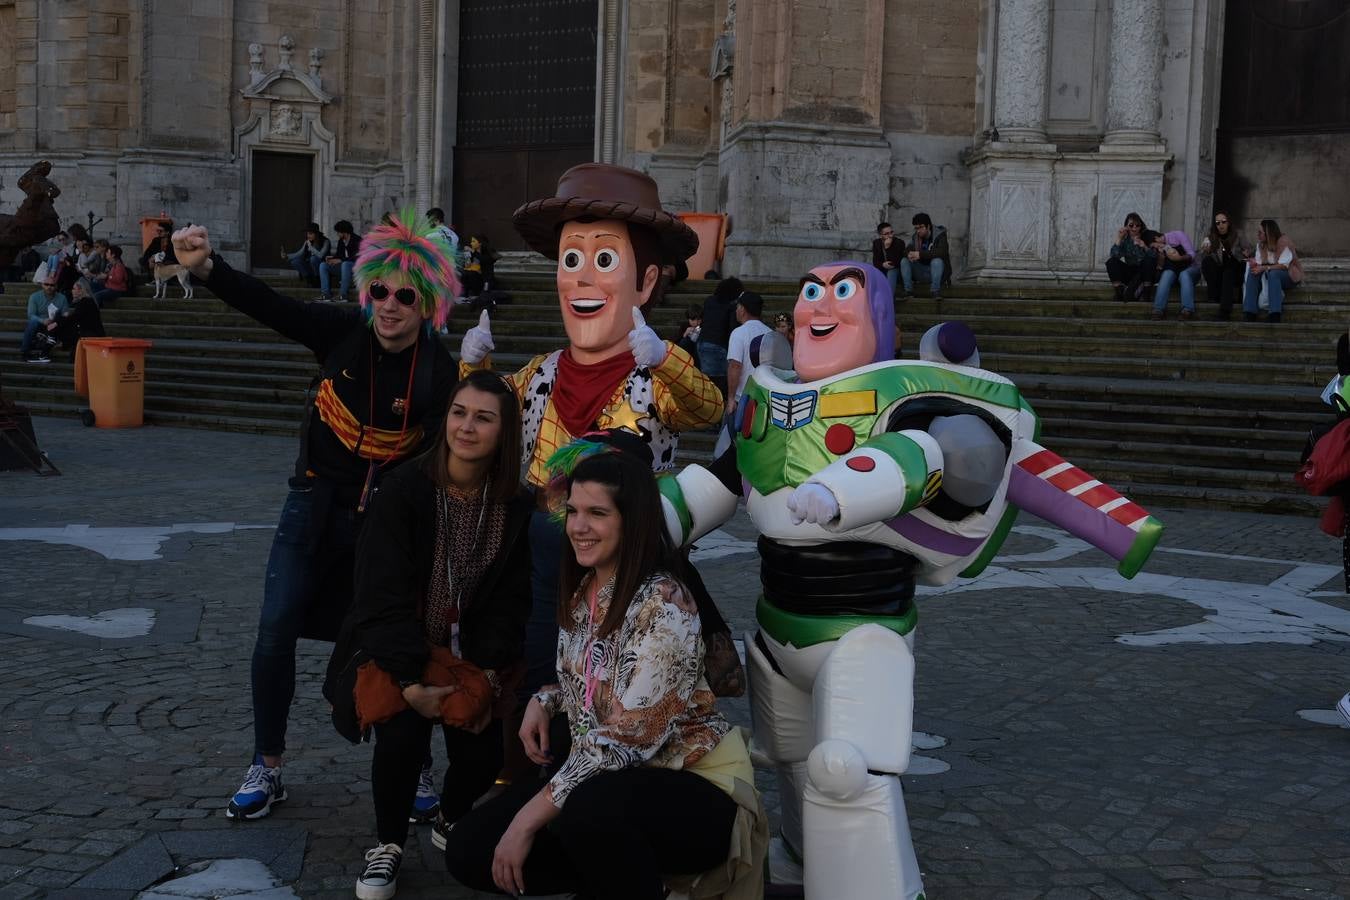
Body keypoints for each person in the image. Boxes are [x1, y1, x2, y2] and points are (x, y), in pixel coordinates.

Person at [660, 261, 1164, 900]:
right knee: (785, 758)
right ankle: (799, 854)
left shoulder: (907, 402)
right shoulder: (770, 402)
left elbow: (927, 459)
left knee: (844, 771)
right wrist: (647, 519)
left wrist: (843, 487)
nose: (821, 305)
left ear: (882, 321)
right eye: (810, 290)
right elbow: (719, 482)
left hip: (864, 633)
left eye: (844, 292)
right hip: (776, 633)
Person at [170, 211, 461, 821]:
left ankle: (412, 768)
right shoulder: (343, 334)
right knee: (275, 629)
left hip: (389, 519)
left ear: (428, 303)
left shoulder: (439, 370)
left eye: (405, 296)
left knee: (400, 639)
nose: (388, 306)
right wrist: (208, 267)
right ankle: (266, 765)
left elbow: (437, 460)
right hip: (312, 501)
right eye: (379, 290)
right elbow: (272, 306)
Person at [443, 431, 764, 900]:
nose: (578, 526)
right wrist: (545, 698)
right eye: (573, 511)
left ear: (631, 521)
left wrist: (527, 821)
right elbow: (596, 675)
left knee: (583, 811)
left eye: (597, 513)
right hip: (613, 787)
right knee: (470, 848)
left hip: (692, 783)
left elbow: (623, 742)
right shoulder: (584, 592)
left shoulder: (664, 602)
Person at [455, 163, 726, 711]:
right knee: (536, 657)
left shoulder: (657, 373)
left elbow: (708, 408)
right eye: (570, 259)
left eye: (604, 260)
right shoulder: (538, 372)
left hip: (628, 563)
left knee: (620, 674)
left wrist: (668, 359)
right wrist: (472, 369)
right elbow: (483, 425)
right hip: (543, 553)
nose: (581, 277)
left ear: (647, 282)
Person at [325, 370, 534, 900]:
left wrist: (487, 671)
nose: (467, 427)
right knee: (400, 735)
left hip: (471, 653)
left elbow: (512, 599)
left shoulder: (514, 505)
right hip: (400, 645)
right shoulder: (403, 490)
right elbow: (377, 593)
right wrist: (410, 677)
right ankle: (388, 844)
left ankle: (451, 815)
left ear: (504, 432)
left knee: (484, 752)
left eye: (484, 418)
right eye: (459, 413)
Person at [1243, 218, 1302, 324]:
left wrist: (1265, 268)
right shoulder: (1260, 245)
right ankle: (1249, 312)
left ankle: (1275, 314)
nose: (1258, 235)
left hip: (1288, 275)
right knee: (1253, 272)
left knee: (1274, 274)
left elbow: (1284, 265)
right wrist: (1254, 264)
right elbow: (1260, 263)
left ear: (1268, 233)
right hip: (1269, 273)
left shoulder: (1283, 242)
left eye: (1260, 232)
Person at [1198, 211, 1252, 321]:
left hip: (1235, 267)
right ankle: (1214, 296)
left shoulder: (1238, 234)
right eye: (1218, 223)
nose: (1221, 225)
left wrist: (1246, 252)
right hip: (1220, 268)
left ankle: (1225, 311)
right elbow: (1201, 258)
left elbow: (1250, 250)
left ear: (1228, 223)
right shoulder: (1211, 237)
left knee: (1229, 269)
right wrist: (1206, 251)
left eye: (1223, 222)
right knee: (1207, 261)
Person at [696, 275, 743, 399]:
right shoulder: (731, 307)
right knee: (719, 383)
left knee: (707, 380)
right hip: (718, 344)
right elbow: (731, 328)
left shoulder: (709, 301)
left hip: (702, 341)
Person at [1149, 229, 1200, 320]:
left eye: (1155, 245)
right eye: (1153, 247)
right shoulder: (1157, 251)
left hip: (1190, 270)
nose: (1155, 247)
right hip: (1174, 274)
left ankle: (1187, 310)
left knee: (1184, 274)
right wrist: (1161, 259)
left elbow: (1192, 254)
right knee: (1166, 274)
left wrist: (1179, 258)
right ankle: (1158, 309)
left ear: (1157, 238)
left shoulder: (1177, 235)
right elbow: (1158, 274)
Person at [1104, 212, 1156, 301]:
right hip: (1130, 271)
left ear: (1141, 226)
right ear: (1127, 227)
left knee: (1148, 260)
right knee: (1111, 262)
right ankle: (1119, 291)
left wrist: (1144, 247)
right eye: (1131, 225)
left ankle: (1146, 292)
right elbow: (1114, 255)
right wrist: (1119, 238)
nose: (1134, 228)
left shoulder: (1147, 236)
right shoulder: (1125, 240)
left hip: (1144, 273)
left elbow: (1154, 257)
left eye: (1137, 225)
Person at [899, 213, 950, 300]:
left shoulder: (940, 235)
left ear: (928, 226)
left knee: (937, 261)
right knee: (904, 261)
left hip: (936, 273)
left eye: (921, 227)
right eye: (916, 228)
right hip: (921, 272)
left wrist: (920, 254)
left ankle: (935, 291)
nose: (918, 230)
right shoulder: (916, 237)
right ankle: (908, 291)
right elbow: (906, 250)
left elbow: (942, 252)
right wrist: (909, 254)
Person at [20, 275, 69, 362]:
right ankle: (25, 351)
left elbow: (65, 315)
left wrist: (56, 322)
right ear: (42, 285)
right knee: (32, 323)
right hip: (40, 323)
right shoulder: (34, 297)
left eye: (52, 285)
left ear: (56, 286)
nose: (49, 287)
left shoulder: (62, 298)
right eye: (46, 284)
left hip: (55, 325)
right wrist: (43, 321)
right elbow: (31, 315)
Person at [320, 220, 361, 302]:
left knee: (346, 264)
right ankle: (326, 294)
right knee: (323, 265)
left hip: (355, 268)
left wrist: (340, 260)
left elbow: (357, 257)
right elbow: (339, 255)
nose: (337, 234)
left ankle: (343, 295)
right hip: (343, 267)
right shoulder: (341, 241)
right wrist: (331, 259)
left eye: (338, 232)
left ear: (344, 232)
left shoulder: (357, 240)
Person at [286, 223, 330, 288]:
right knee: (295, 261)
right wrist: (287, 256)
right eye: (307, 234)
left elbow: (321, 255)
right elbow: (299, 253)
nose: (308, 236)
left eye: (311, 234)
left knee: (313, 259)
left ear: (316, 234)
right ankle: (309, 280)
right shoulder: (308, 242)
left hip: (321, 267)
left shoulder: (325, 241)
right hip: (310, 267)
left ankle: (318, 280)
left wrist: (311, 248)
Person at [871, 222, 904, 296]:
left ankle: (889, 299)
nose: (890, 235)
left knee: (891, 272)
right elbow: (875, 262)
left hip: (897, 272)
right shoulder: (876, 243)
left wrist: (887, 248)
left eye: (891, 232)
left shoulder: (899, 243)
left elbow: (896, 263)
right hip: (883, 270)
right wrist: (883, 264)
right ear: (880, 235)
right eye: (886, 234)